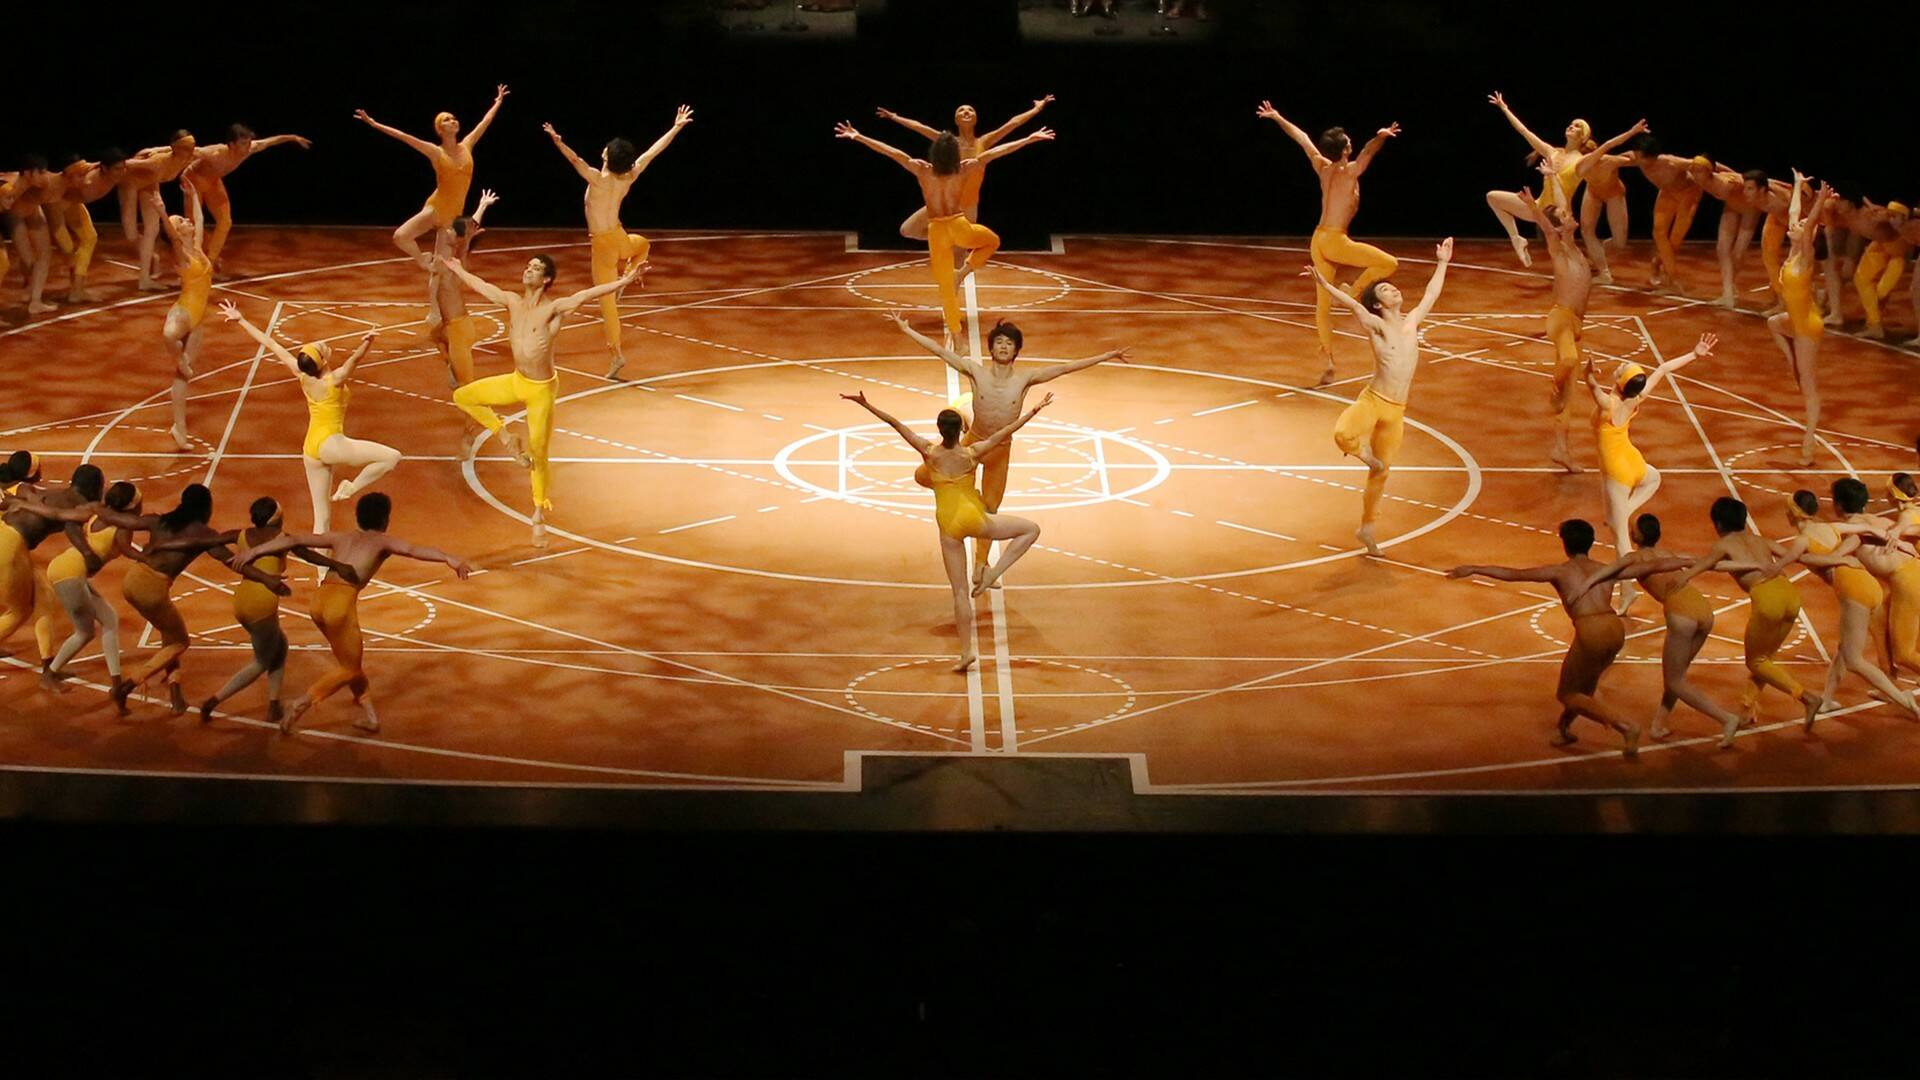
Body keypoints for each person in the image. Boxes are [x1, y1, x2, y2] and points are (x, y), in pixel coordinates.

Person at [890, 312, 1129, 588]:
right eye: (999, 342)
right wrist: (907, 331)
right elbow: (941, 352)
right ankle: (962, 495)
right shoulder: (975, 371)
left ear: (1016, 350)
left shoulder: (1025, 379)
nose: (1004, 346)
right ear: (991, 348)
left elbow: (1065, 368)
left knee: (990, 510)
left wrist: (1106, 356)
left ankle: (981, 566)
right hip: (972, 443)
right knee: (921, 476)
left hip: (1000, 449)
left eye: (1009, 343)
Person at [440, 252, 647, 546]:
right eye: (528, 265)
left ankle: (538, 513)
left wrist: (624, 280)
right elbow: (484, 287)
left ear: (546, 279)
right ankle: (506, 437)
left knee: (538, 453)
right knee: (464, 396)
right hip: (516, 381)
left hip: (541, 391)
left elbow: (587, 294)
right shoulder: (512, 301)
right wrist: (458, 269)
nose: (528, 270)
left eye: (535, 268)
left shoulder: (554, 308)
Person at [841, 391, 1046, 673]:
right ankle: (992, 573)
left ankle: (965, 652)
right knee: (1030, 530)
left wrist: (865, 404)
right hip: (975, 519)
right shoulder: (973, 453)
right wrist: (1033, 411)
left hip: (949, 526)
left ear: (940, 430)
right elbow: (1006, 432)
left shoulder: (929, 452)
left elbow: (896, 424)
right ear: (961, 430)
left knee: (960, 593)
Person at [235, 492, 473, 735]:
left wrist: (253, 552)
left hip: (319, 602)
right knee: (350, 669)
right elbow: (413, 550)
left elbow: (294, 540)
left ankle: (371, 717)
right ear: (385, 519)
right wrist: (447, 557)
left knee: (350, 663)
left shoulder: (341, 537)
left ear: (358, 517)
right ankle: (302, 703)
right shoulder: (382, 541)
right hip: (341, 605)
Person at [834, 120, 1054, 345]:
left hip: (937, 231)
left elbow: (893, 152)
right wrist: (1029, 139)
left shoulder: (922, 169)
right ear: (953, 155)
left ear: (934, 153)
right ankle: (965, 274)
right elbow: (995, 154)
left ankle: (958, 336)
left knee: (947, 288)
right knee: (992, 241)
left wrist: (858, 136)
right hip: (958, 227)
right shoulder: (963, 168)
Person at [143, 496, 355, 728]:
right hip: (261, 604)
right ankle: (213, 701)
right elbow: (310, 555)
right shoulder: (283, 539)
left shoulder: (240, 534)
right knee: (262, 661)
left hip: (242, 600)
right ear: (277, 519)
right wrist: (339, 566)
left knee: (280, 646)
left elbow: (196, 542)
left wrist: (162, 545)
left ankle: (273, 705)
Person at [1304, 238, 1453, 555]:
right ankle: (1363, 453)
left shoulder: (1411, 322)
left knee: (1381, 472)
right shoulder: (1375, 326)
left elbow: (1431, 294)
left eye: (1393, 288)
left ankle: (1367, 528)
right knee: (1343, 433)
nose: (1394, 290)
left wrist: (1442, 262)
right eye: (1385, 290)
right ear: (1378, 304)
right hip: (1373, 401)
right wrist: (1323, 284)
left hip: (1397, 410)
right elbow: (1354, 305)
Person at [87, 484, 287, 715]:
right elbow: (233, 563)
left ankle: (176, 697)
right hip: (152, 590)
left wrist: (94, 507)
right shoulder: (204, 534)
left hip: (132, 581)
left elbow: (123, 521)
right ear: (205, 508)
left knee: (168, 635)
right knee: (179, 643)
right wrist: (266, 578)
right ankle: (128, 685)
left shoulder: (158, 520)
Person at [1448, 520, 1642, 756]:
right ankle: (1564, 729)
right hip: (1615, 628)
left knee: (1568, 695)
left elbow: (1515, 575)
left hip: (1591, 630)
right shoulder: (1605, 569)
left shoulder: (1560, 571)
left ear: (1565, 545)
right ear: (1591, 543)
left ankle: (1625, 726)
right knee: (1584, 689)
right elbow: (1646, 568)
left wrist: (1475, 568)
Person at [221, 302, 398, 536]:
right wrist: (368, 341)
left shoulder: (301, 374)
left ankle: (321, 574)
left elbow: (271, 344)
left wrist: (241, 319)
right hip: (329, 443)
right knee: (392, 457)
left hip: (310, 449)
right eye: (322, 347)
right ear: (323, 362)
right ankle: (351, 487)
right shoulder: (333, 380)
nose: (323, 344)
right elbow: (353, 362)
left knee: (321, 521)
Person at [542, 105, 693, 379]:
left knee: (607, 305)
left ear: (606, 155)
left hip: (602, 247)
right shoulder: (628, 177)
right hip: (620, 238)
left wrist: (557, 140)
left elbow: (574, 160)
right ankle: (629, 275)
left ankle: (616, 354)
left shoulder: (598, 180)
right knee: (643, 244)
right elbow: (652, 152)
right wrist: (676, 127)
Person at [1255, 101, 1400, 385]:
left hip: (1318, 239)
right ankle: (1352, 293)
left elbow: (1302, 139)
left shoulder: (1322, 166)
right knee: (1388, 263)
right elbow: (1369, 150)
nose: (1351, 142)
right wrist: (1381, 136)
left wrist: (1277, 117)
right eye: (1348, 142)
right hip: (1334, 241)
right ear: (1346, 149)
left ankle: (1329, 362)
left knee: (1322, 307)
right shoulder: (1351, 171)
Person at [1577, 513, 1747, 746]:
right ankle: (1659, 724)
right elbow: (1713, 564)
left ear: (1638, 535)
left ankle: (1726, 719)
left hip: (1681, 613)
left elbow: (1609, 571)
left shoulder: (1634, 557)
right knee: (1677, 675)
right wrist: (1755, 564)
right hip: (1704, 610)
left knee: (1675, 679)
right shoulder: (1668, 554)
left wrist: (1586, 584)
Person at [1586, 333, 1718, 613]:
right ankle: (1621, 514)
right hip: (1633, 461)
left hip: (1617, 472)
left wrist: (1587, 374)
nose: (1621, 365)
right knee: (1652, 479)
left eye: (1623, 368)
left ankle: (1627, 592)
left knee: (1622, 539)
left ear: (1621, 382)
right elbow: (1664, 369)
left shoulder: (1609, 404)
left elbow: (1591, 387)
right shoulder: (1637, 398)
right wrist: (1694, 353)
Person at [1668, 496, 1826, 729]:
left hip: (1767, 599)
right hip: (1790, 594)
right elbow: (1796, 556)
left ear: (1718, 525)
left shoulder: (1723, 545)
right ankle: (1747, 706)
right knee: (1765, 659)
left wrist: (1685, 576)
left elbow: (1706, 563)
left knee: (1756, 661)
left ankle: (1806, 697)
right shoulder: (1760, 540)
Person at [1780, 488, 1918, 724]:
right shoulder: (1832, 527)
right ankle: (1827, 699)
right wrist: (1899, 543)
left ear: (1793, 514)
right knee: (1845, 647)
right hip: (1868, 585)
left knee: (1854, 660)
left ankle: (1905, 701)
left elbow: (1786, 560)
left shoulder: (1802, 540)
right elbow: (1868, 531)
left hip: (1854, 591)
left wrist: (1838, 558)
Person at [355, 85, 509, 269]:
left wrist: (498, 101)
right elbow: (404, 137)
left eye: (454, 118)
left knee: (443, 267)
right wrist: (373, 123)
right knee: (400, 237)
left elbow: (486, 121)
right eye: (447, 120)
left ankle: (435, 291)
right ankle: (421, 260)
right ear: (440, 129)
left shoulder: (467, 144)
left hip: (453, 216)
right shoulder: (436, 152)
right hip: (436, 208)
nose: (453, 121)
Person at [1482, 94, 1644, 268]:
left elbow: (1608, 145)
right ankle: (1517, 239)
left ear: (1583, 138)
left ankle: (1597, 271)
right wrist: (1504, 108)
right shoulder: (1552, 152)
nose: (1571, 126)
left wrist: (1633, 132)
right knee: (1493, 197)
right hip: (1539, 208)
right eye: (1571, 124)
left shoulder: (1581, 161)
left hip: (1561, 216)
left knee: (1569, 262)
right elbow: (1524, 131)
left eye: (1576, 126)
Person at [12, 480, 141, 693]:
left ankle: (115, 681)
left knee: (109, 619)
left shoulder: (94, 512)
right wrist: (147, 557)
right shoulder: (123, 527)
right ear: (131, 505)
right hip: (69, 573)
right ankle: (49, 675)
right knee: (84, 632)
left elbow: (58, 515)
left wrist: (27, 505)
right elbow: (128, 550)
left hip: (68, 568)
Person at [874, 96, 1052, 244]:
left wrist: (1037, 109)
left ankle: (954, 260)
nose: (966, 112)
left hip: (968, 206)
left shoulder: (984, 142)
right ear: (956, 120)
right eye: (961, 110)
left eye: (970, 110)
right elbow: (919, 127)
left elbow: (1012, 124)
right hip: (944, 202)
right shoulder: (948, 141)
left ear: (976, 119)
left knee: (959, 256)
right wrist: (895, 117)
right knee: (907, 230)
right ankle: (945, 238)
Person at [0, 463, 105, 680]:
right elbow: (70, 524)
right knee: (20, 610)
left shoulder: (56, 493)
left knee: (44, 597)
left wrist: (22, 503)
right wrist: (87, 553)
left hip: (6, 536)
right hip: (10, 546)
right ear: (96, 488)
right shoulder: (80, 504)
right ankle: (48, 669)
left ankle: (48, 663)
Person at [179, 123, 312, 270]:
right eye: (243, 143)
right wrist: (156, 154)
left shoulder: (249, 149)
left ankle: (210, 259)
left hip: (213, 181)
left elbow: (270, 142)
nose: (248, 146)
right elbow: (188, 152)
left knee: (225, 221)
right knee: (193, 225)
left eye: (249, 142)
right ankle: (190, 261)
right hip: (193, 180)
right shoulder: (215, 152)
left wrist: (293, 138)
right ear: (232, 144)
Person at [1527, 175, 1593, 473]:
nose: (1571, 215)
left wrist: (1553, 177)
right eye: (1566, 216)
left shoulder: (1575, 248)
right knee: (1569, 359)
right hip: (1561, 318)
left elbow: (1562, 205)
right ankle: (1553, 389)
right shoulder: (1558, 248)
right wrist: (1534, 207)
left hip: (1576, 323)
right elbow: (1547, 227)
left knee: (1572, 396)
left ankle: (1561, 449)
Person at [1765, 172, 1832, 465]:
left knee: (1809, 386)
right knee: (1772, 323)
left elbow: (1808, 226)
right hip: (1794, 319)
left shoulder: (1805, 255)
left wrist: (1819, 202)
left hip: (1806, 326)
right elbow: (1795, 213)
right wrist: (1796, 184)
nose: (1797, 225)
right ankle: (1794, 365)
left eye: (1804, 227)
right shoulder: (1793, 252)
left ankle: (1808, 443)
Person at [1829, 476, 1920, 680]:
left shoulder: (1854, 532)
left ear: (1838, 505)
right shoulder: (1878, 521)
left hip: (1910, 582)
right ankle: (1888, 678)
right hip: (1908, 577)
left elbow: (1834, 555)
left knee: (1904, 654)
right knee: (1878, 621)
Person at [425, 189, 498, 395]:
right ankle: (451, 365)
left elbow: (465, 238)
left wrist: (469, 234)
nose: (446, 232)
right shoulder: (448, 256)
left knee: (468, 387)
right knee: (435, 335)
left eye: (450, 232)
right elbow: (465, 230)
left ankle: (474, 425)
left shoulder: (457, 261)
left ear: (456, 238)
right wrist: (482, 206)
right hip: (450, 325)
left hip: (459, 328)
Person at [158, 185, 211, 450]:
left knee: (182, 377)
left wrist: (193, 195)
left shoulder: (198, 248)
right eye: (182, 221)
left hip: (198, 319)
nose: (187, 220)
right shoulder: (181, 255)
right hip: (185, 311)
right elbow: (171, 236)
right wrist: (161, 210)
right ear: (177, 233)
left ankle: (179, 428)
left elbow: (200, 219)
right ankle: (178, 357)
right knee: (169, 335)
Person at [114, 130, 197, 291]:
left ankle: (144, 279)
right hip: (130, 183)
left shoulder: (187, 158)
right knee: (130, 233)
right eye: (187, 147)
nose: (191, 151)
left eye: (192, 146)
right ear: (176, 148)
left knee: (152, 229)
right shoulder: (158, 161)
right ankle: (151, 255)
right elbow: (125, 163)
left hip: (151, 184)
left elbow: (209, 151)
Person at [1626, 137, 1706, 293]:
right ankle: (1672, 280)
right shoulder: (1635, 158)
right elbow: (1610, 159)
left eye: (1641, 157)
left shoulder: (1670, 162)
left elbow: (1703, 164)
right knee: (1658, 232)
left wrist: (1733, 175)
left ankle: (1657, 263)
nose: (1637, 160)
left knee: (1674, 241)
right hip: (1667, 193)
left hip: (1688, 194)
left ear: (1651, 157)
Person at [50, 151, 127, 303]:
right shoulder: (87, 178)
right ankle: (31, 293)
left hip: (73, 205)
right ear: (105, 169)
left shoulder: (112, 173)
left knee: (90, 238)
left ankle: (77, 290)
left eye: (123, 168)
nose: (122, 172)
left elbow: (139, 162)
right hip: (56, 206)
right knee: (66, 248)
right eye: (118, 169)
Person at [5, 155, 61, 315]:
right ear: (28, 173)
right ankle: (30, 288)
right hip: (15, 217)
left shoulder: (46, 182)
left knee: (45, 254)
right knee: (28, 260)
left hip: (33, 212)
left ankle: (36, 301)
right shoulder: (9, 184)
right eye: (41, 172)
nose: (45, 176)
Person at [1848, 199, 1910, 340]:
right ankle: (1874, 324)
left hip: (1898, 256)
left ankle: (1875, 320)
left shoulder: (1912, 228)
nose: (1891, 219)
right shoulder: (1881, 221)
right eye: (1890, 216)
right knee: (1861, 278)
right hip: (1881, 247)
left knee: (1880, 292)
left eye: (1894, 216)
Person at [1573, 144, 1633, 285]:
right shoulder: (1579, 163)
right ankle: (1604, 273)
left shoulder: (1609, 161)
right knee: (1586, 229)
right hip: (1592, 193)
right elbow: (1557, 152)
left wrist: (1630, 156)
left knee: (1619, 243)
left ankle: (1597, 254)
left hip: (1614, 194)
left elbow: (1632, 159)